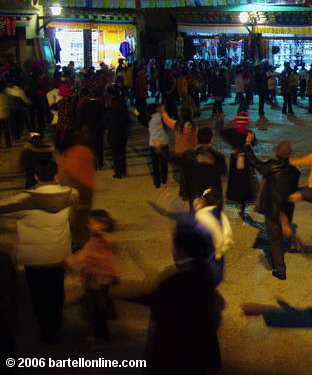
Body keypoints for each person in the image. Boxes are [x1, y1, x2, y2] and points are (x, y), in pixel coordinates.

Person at [126, 226, 225, 374]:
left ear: (180, 252)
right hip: (198, 356)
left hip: (172, 355)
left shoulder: (173, 283)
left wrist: (117, 292)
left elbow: (154, 300)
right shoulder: (205, 278)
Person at [0, 161, 77, 344]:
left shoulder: (24, 200)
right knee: (56, 291)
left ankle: (45, 331)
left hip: (34, 258)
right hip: (58, 254)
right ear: (56, 175)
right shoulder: (70, 194)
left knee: (38, 296)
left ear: (36, 176)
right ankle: (56, 326)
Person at [244, 134, 300, 280]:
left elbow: (253, 162)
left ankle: (280, 270)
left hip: (272, 209)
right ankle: (282, 256)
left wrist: (248, 144)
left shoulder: (270, 167)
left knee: (274, 239)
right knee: (279, 237)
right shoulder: (295, 172)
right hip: (286, 209)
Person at [67, 209, 118, 343]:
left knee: (97, 309)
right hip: (101, 279)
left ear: (101, 225)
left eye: (91, 223)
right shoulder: (102, 239)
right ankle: (103, 330)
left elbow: (88, 254)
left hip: (96, 280)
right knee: (100, 305)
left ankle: (101, 335)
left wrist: (73, 259)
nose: (88, 225)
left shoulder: (99, 241)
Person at [162, 127, 227, 210]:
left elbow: (173, 159)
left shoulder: (189, 155)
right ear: (211, 139)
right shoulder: (219, 156)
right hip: (213, 196)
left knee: (197, 219)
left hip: (196, 197)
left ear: (197, 138)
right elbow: (224, 171)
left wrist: (162, 150)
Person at [58, 129, 96, 250]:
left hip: (70, 189)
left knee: (71, 218)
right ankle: (80, 242)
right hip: (85, 189)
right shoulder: (88, 152)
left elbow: (63, 170)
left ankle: (71, 241)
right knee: (82, 217)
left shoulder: (70, 152)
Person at [221, 112, 257, 219]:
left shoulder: (231, 132)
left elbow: (220, 132)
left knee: (235, 178)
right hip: (245, 159)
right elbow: (253, 144)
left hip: (234, 158)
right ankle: (243, 201)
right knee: (244, 179)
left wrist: (221, 120)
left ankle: (235, 197)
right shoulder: (250, 133)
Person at [105, 96, 131, 179]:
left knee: (115, 155)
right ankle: (123, 170)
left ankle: (118, 172)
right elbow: (128, 123)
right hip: (122, 135)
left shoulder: (109, 112)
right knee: (122, 154)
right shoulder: (123, 112)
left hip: (113, 136)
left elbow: (106, 123)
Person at [147, 104, 169, 189]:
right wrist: (163, 111)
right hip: (163, 141)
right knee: (164, 162)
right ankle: (164, 179)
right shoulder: (160, 116)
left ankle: (157, 182)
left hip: (153, 143)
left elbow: (140, 117)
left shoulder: (148, 118)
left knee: (155, 164)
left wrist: (136, 112)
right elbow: (167, 120)